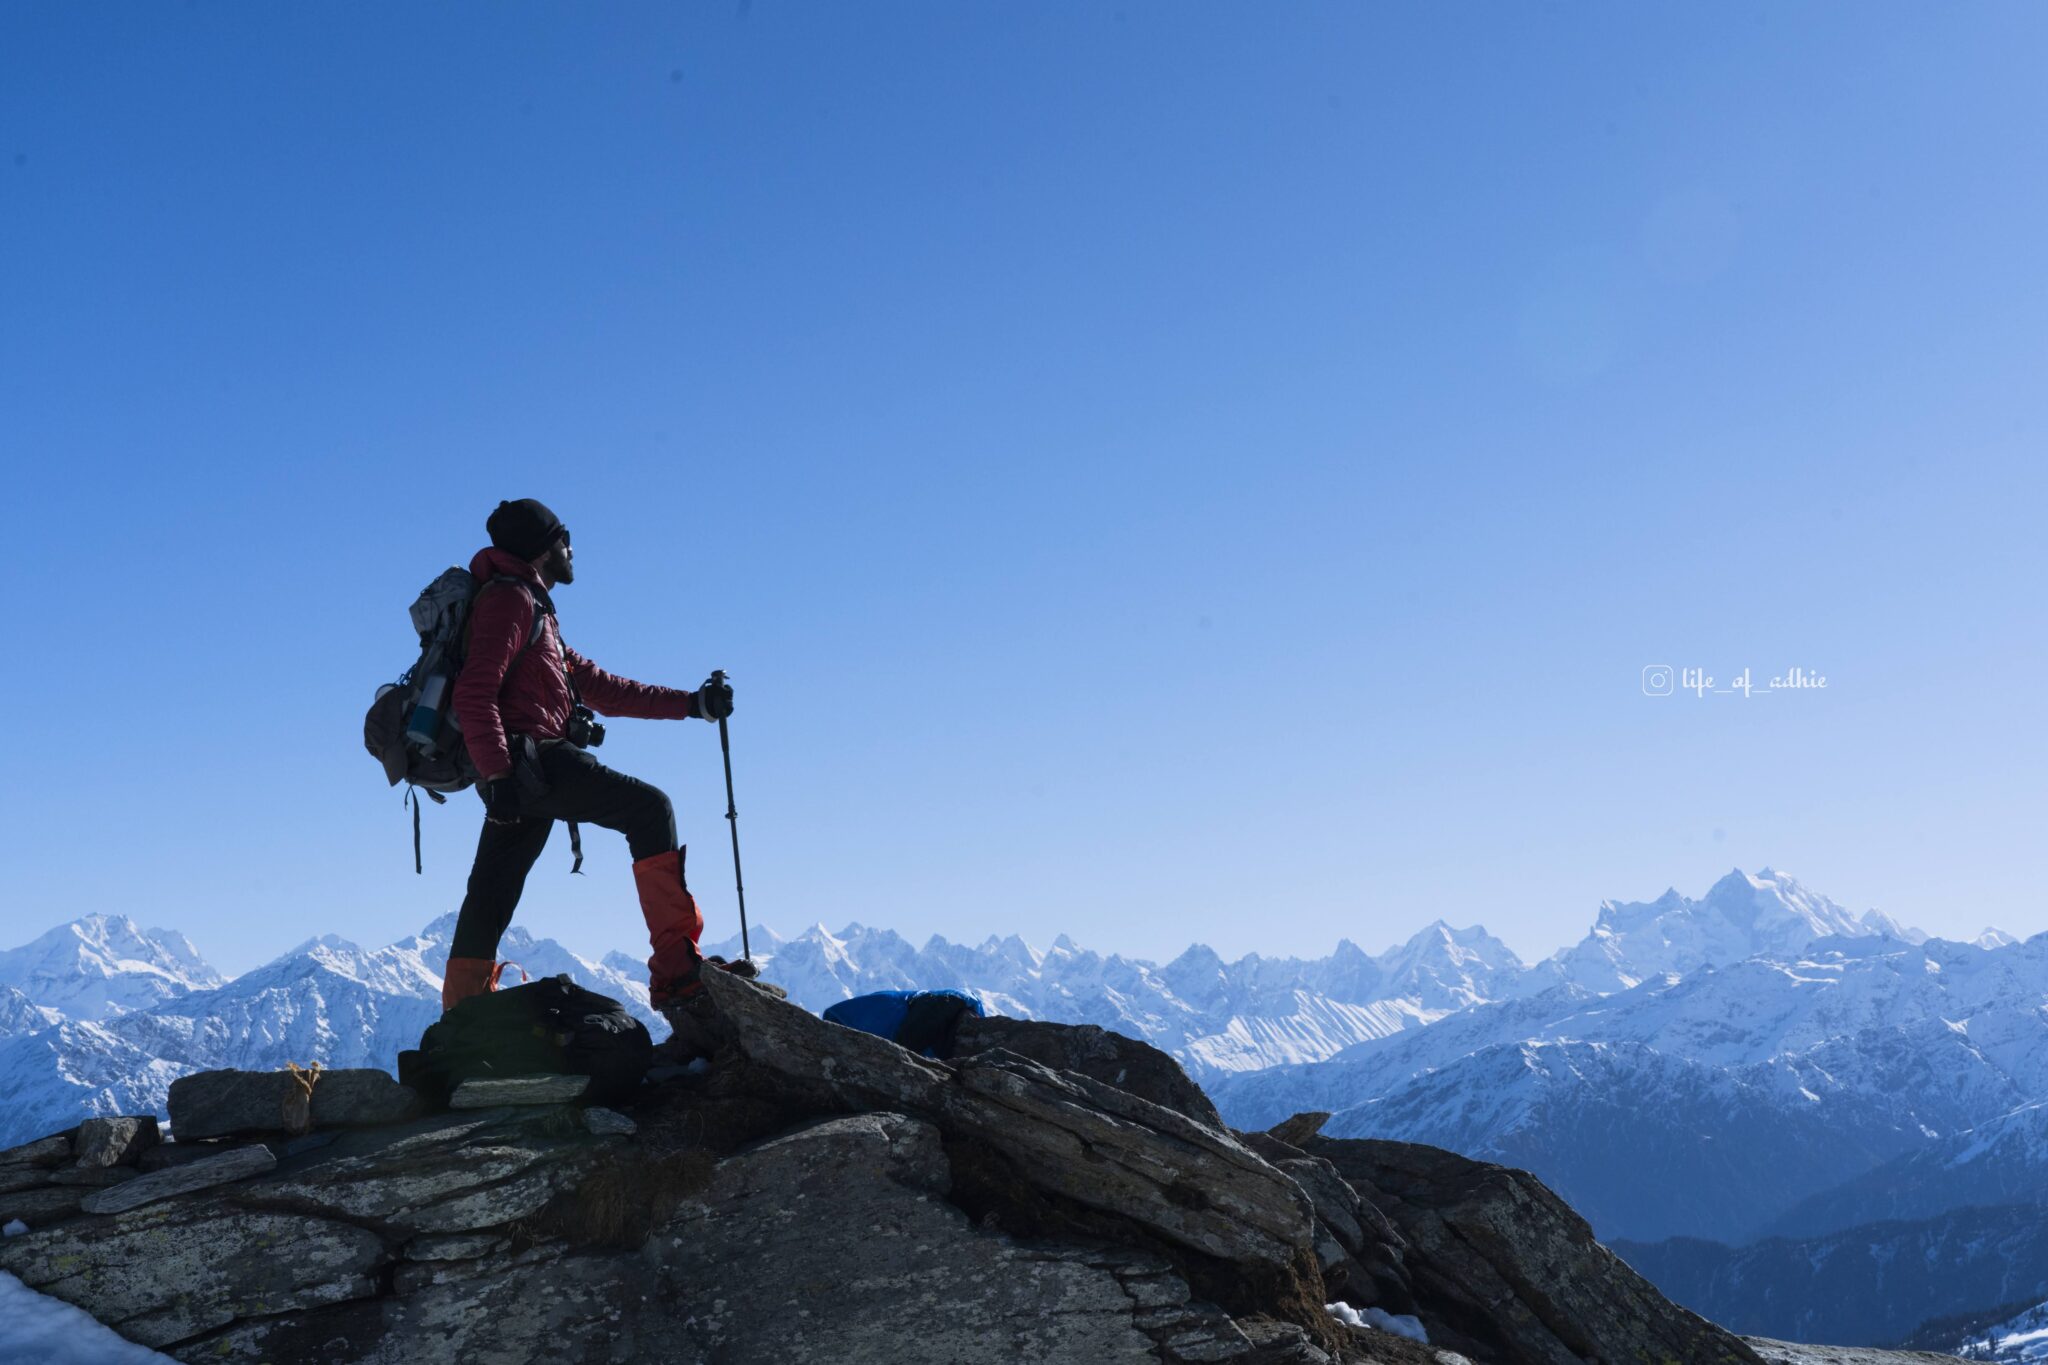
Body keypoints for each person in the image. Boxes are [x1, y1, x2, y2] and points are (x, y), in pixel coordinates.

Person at [441, 497, 737, 1016]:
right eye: (564, 538)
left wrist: (693, 705)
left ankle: (460, 1016)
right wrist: (499, 773)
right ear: (542, 548)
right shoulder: (511, 603)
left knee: (490, 893)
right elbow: (474, 692)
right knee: (650, 810)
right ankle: (677, 972)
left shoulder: (533, 612)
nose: (572, 548)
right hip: (533, 761)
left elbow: (601, 687)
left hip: (514, 773)